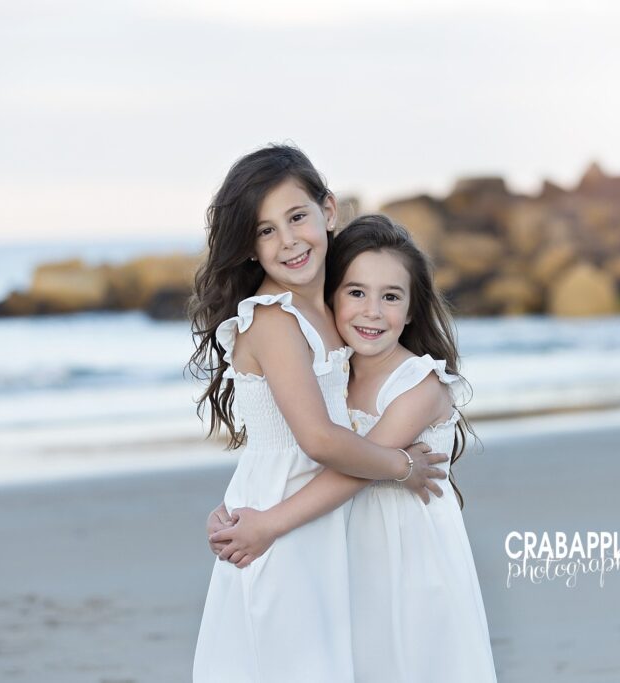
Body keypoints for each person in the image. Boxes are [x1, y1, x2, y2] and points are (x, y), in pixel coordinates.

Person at [188, 146, 448, 683]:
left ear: (328, 212)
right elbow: (316, 439)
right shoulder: (273, 319)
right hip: (278, 525)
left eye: (297, 217)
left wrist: (426, 399)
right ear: (249, 248)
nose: (287, 240)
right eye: (264, 230)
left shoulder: (328, 307)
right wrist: (401, 465)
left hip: (317, 513)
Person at [207, 215, 498, 682]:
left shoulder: (417, 386)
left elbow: (355, 469)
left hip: (409, 564)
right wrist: (234, 508)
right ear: (332, 298)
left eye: (391, 297)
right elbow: (287, 452)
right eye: (356, 292)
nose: (372, 311)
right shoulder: (335, 375)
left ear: (411, 310)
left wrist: (267, 525)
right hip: (350, 553)